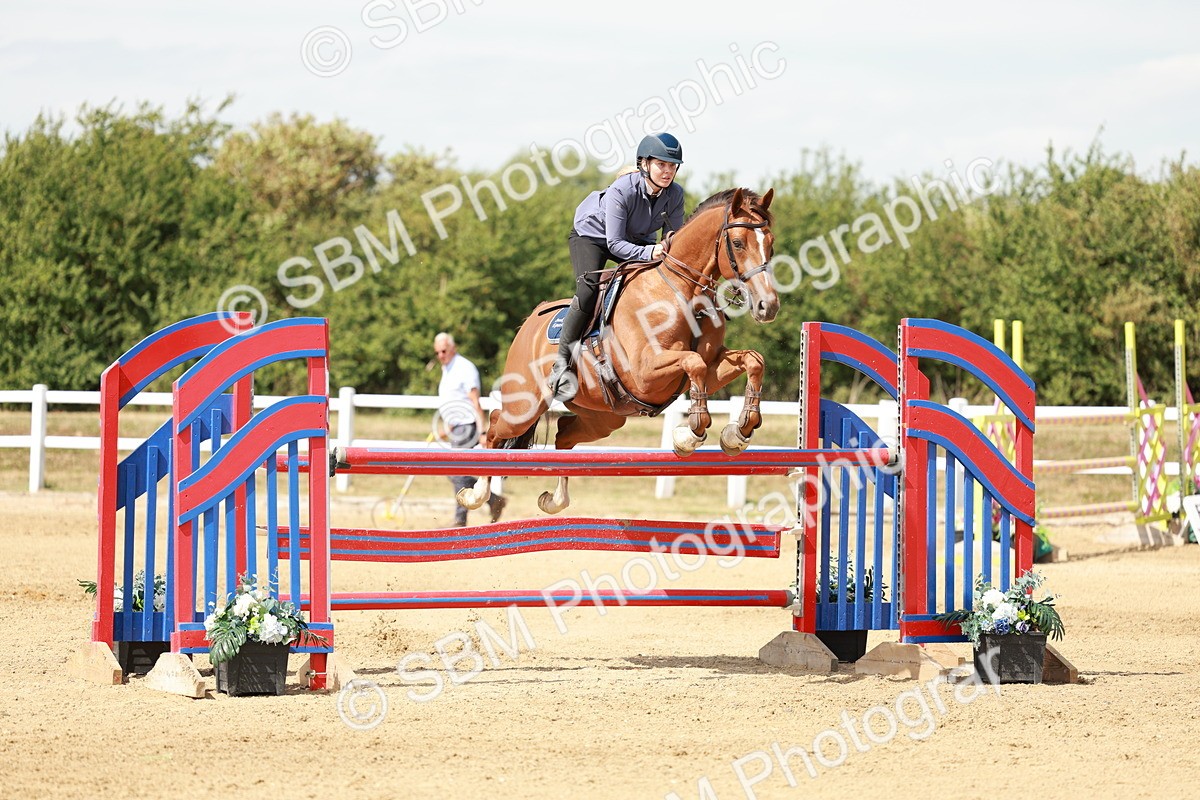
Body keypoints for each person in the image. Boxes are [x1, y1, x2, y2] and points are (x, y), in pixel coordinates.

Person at [546, 132, 686, 403]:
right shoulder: (622, 190)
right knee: (588, 291)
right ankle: (561, 365)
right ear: (644, 164)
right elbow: (615, 243)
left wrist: (669, 248)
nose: (668, 172)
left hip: (636, 240)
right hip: (593, 236)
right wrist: (650, 251)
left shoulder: (675, 194)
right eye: (661, 165)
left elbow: (673, 236)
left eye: (672, 166)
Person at [434, 332, 506, 526]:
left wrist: (483, 431)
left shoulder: (463, 368)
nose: (440, 355)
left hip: (467, 426)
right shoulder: (447, 368)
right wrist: (448, 428)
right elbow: (456, 401)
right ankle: (493, 500)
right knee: (454, 470)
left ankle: (460, 520)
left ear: (452, 348)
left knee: (455, 469)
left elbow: (474, 402)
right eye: (438, 352)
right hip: (458, 426)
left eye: (443, 351)